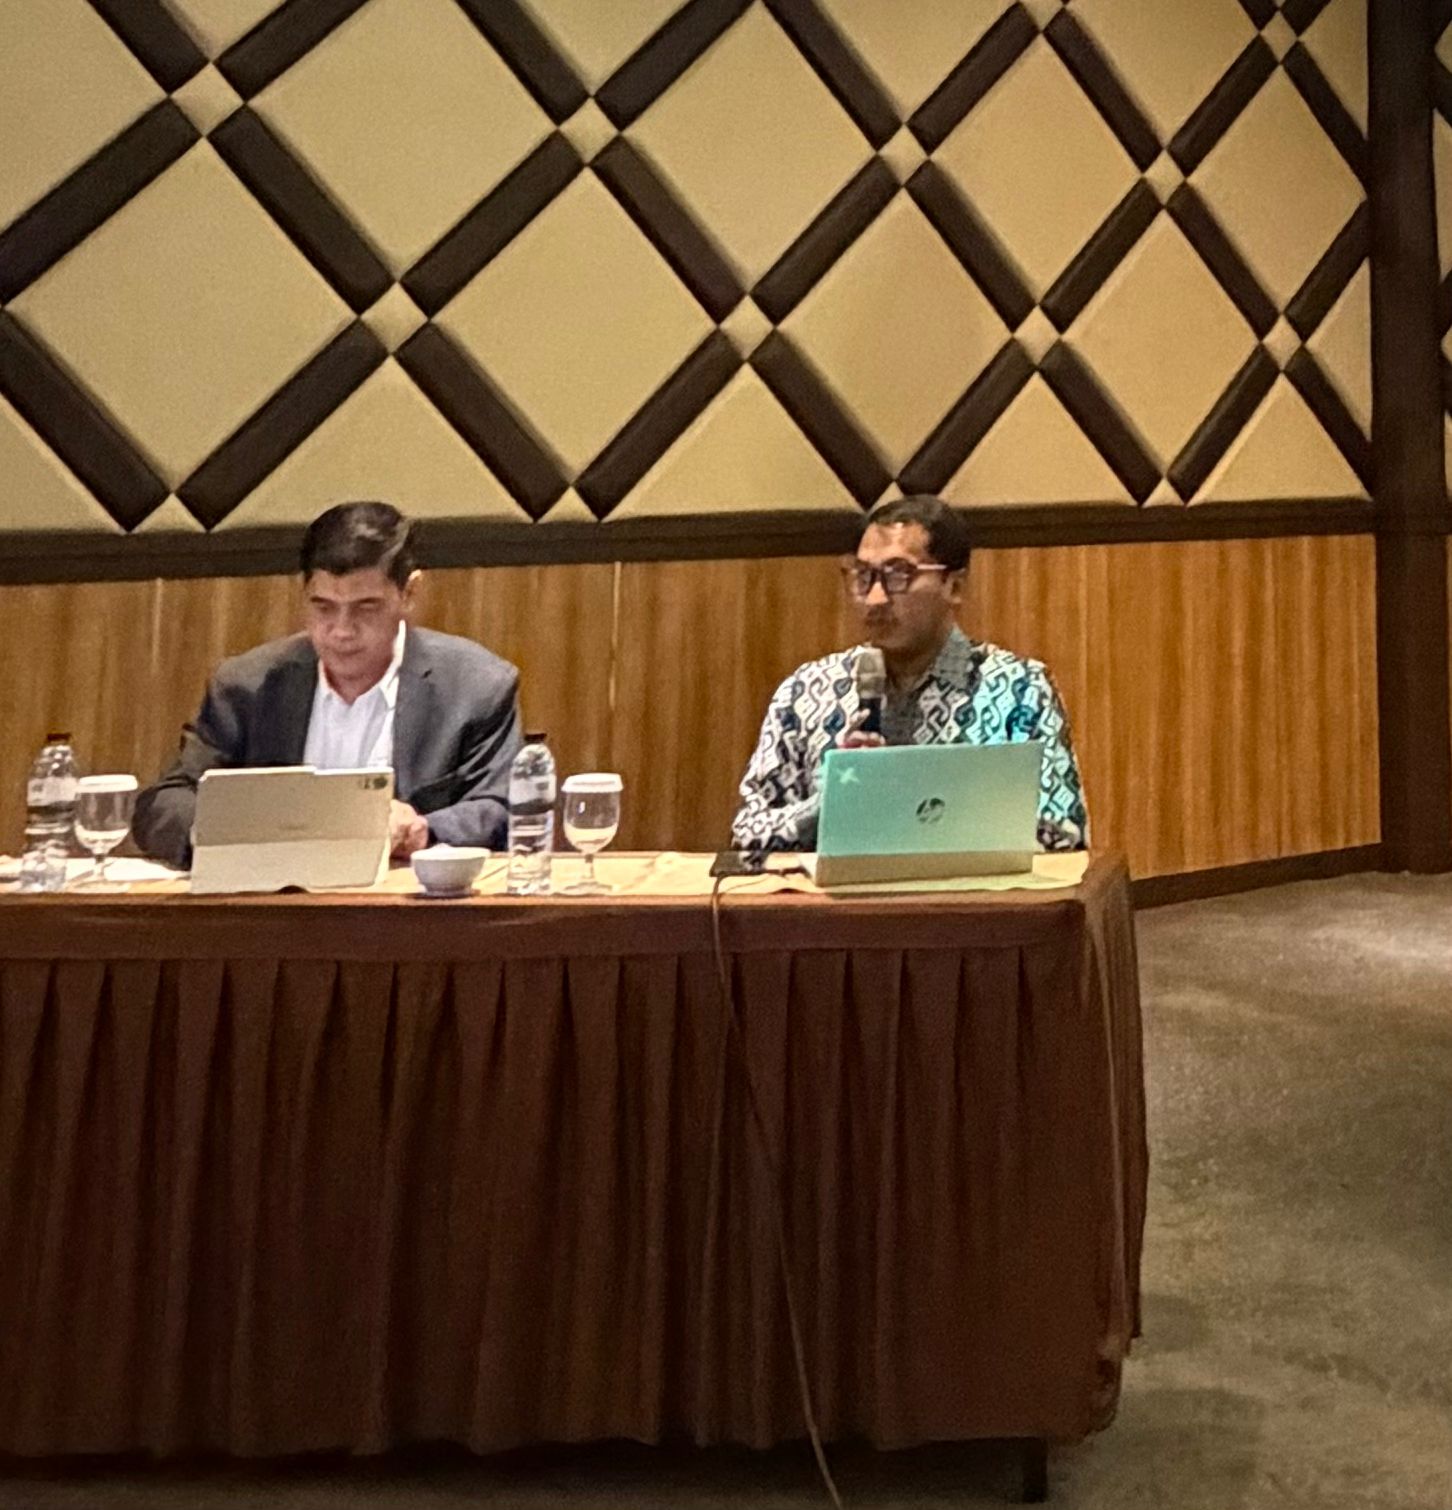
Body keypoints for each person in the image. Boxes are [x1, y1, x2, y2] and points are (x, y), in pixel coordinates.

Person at [134, 501, 522, 868]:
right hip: (271, 903)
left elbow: (505, 808)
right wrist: (226, 831)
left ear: (409, 593)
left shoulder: (476, 687)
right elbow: (164, 804)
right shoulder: (246, 687)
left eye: (365, 607)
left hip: (408, 904)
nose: (341, 631)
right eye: (323, 607)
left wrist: (423, 830)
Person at [731, 495, 1088, 852]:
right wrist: (828, 805)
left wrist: (933, 815)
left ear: (954, 585)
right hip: (838, 890)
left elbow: (1064, 837)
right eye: (863, 576)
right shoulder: (806, 691)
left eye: (898, 575)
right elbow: (747, 835)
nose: (875, 598)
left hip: (966, 889)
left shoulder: (1018, 691)